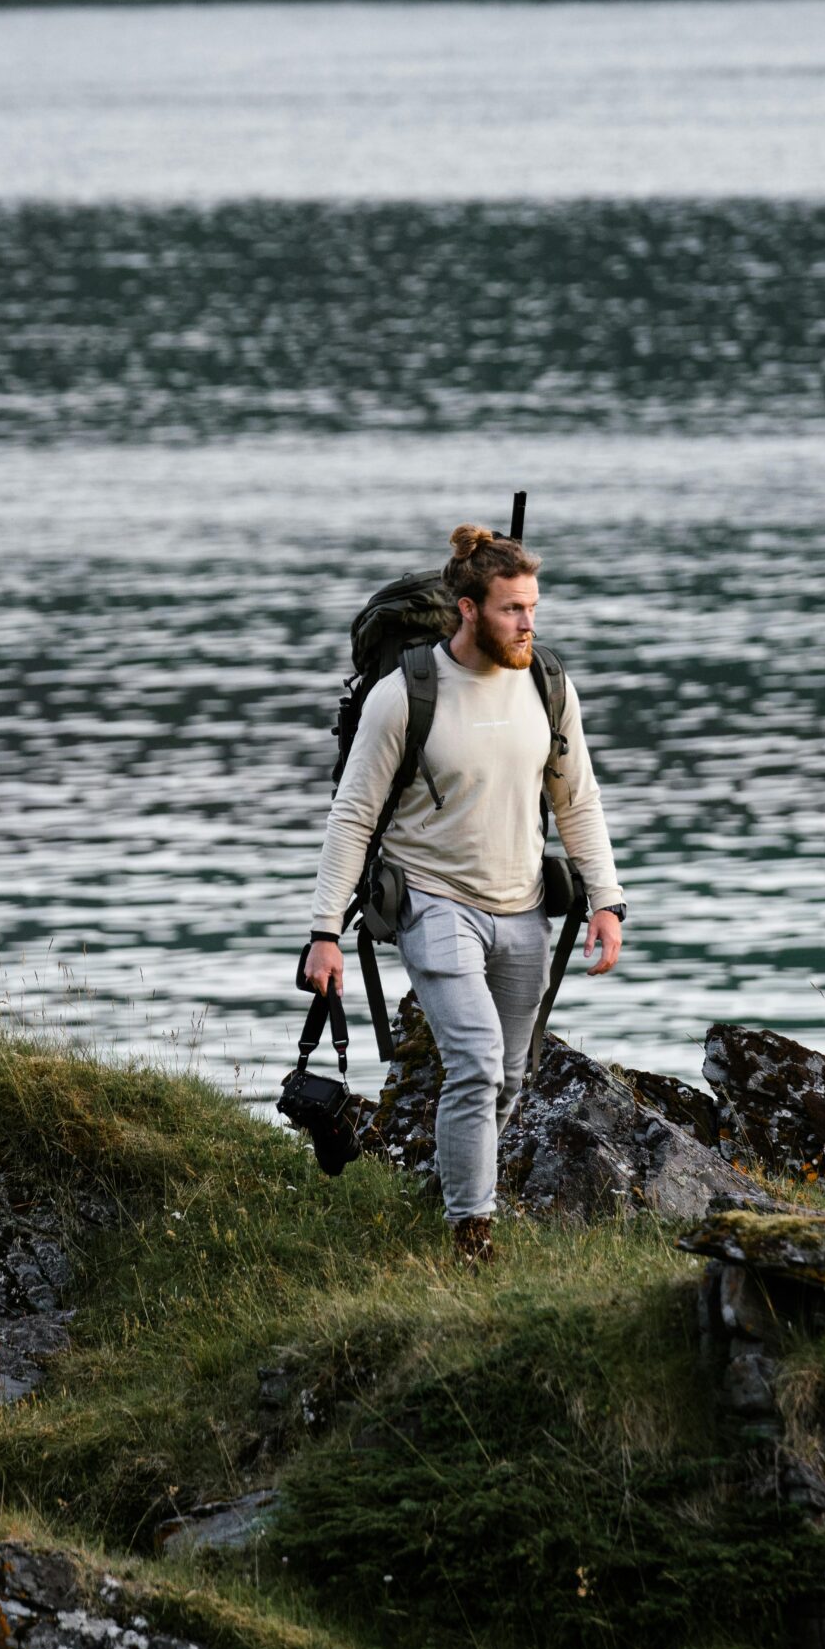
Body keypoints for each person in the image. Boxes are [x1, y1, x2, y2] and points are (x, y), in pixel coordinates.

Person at [304, 524, 627, 1262]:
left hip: (523, 908)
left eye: (534, 607)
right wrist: (325, 930)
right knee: (477, 1061)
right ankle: (471, 1236)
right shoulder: (405, 693)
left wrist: (605, 900)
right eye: (513, 609)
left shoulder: (547, 685)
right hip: (431, 898)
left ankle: (452, 1184)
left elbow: (577, 799)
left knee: (510, 1077)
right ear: (468, 609)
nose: (529, 623)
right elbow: (352, 813)